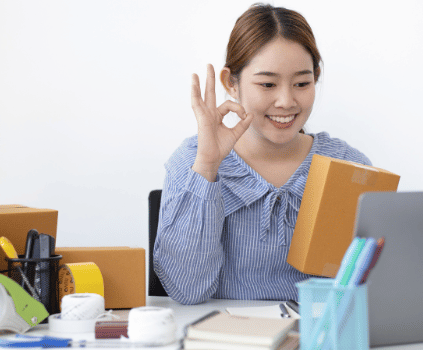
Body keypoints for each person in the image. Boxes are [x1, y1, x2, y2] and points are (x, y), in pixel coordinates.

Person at [153, 3, 371, 305]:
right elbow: (187, 291)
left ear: (316, 77)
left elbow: (365, 289)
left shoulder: (349, 166)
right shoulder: (191, 160)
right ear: (231, 82)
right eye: (267, 84)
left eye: (302, 83)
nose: (286, 101)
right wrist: (207, 166)